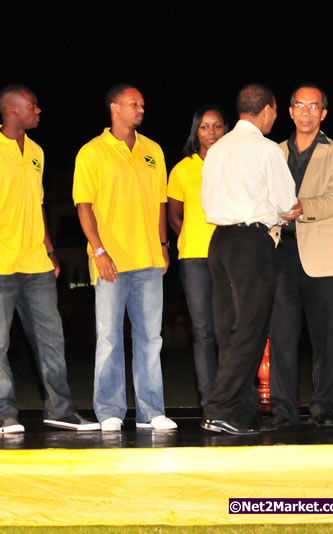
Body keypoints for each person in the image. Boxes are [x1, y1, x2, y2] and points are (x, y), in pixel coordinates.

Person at [74, 84, 176, 432]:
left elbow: (160, 203)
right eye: (134, 104)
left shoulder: (153, 150)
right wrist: (99, 250)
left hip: (148, 258)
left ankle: (151, 412)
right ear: (115, 108)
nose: (141, 109)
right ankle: (109, 411)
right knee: (109, 338)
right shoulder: (92, 152)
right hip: (111, 262)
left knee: (151, 338)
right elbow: (84, 206)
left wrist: (162, 245)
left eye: (143, 104)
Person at [0, 85, 99, 433]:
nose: (39, 110)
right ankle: (4, 414)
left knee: (52, 340)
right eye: (33, 105)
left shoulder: (37, 152)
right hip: (2, 264)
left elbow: (38, 204)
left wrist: (50, 249)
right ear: (12, 110)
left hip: (36, 263)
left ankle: (60, 410)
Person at [200, 84, 297, 434]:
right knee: (250, 328)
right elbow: (287, 203)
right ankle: (219, 408)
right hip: (250, 242)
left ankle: (240, 412)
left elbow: (206, 201)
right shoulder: (267, 149)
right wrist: (288, 211)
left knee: (229, 328)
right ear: (268, 109)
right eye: (276, 111)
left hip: (220, 241)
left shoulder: (216, 149)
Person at [270, 84, 333, 428]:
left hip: (323, 254)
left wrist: (304, 207)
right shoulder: (272, 152)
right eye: (300, 106)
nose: (306, 112)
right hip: (280, 254)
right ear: (290, 111)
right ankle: (283, 412)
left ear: (324, 113)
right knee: (282, 338)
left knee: (326, 339)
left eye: (313, 106)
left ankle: (323, 410)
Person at [167, 105, 228, 411]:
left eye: (217, 126)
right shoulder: (182, 169)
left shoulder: (234, 164)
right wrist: (191, 236)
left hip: (229, 258)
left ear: (226, 130)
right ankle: (210, 401)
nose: (211, 132)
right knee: (203, 331)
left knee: (228, 330)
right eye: (204, 127)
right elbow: (174, 216)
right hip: (194, 258)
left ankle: (232, 397)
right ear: (196, 132)